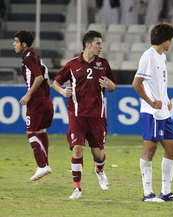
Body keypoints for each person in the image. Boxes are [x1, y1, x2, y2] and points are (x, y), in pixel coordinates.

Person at [53, 30, 116, 199]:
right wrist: (62, 91)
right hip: (77, 115)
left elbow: (112, 86)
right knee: (78, 148)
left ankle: (100, 170)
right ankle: (77, 189)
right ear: (88, 45)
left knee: (98, 154)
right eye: (98, 44)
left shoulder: (103, 64)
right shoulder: (72, 64)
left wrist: (111, 85)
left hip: (97, 116)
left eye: (101, 44)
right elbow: (56, 82)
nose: (101, 47)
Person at [131, 22, 173, 202]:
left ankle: (166, 192)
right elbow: (136, 84)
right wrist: (151, 102)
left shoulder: (161, 57)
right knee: (150, 149)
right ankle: (148, 193)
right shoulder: (148, 56)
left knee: (172, 150)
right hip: (151, 112)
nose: (171, 43)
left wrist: (166, 100)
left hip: (164, 112)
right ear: (166, 40)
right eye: (171, 40)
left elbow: (160, 84)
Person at [14, 30, 54, 181]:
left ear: (24, 44)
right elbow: (46, 76)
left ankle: (42, 165)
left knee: (30, 132)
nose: (14, 44)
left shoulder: (28, 58)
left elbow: (38, 77)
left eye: (16, 42)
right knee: (41, 130)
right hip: (45, 98)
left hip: (37, 100)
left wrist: (29, 94)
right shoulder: (35, 56)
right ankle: (45, 165)